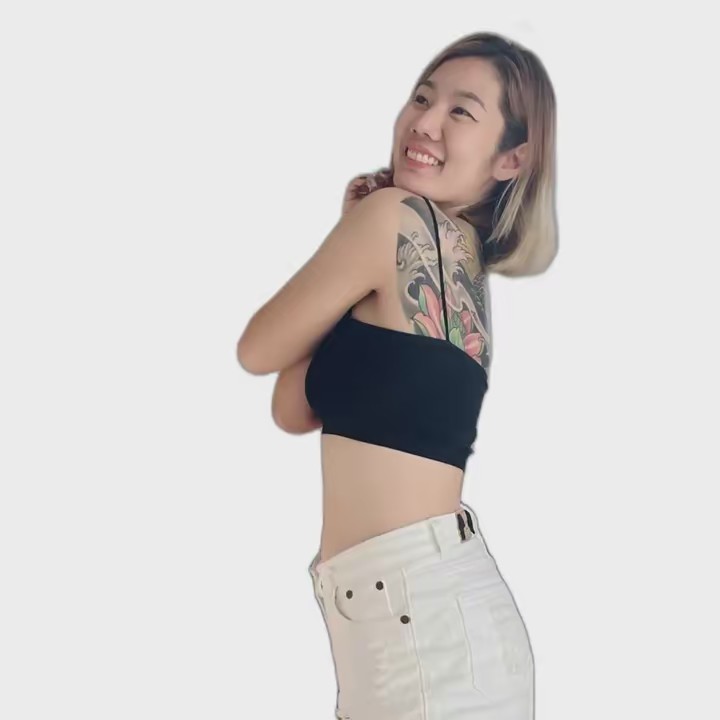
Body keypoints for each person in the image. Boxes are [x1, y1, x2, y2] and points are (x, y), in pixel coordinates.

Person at [237, 30, 557, 720]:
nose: (426, 121)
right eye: (421, 97)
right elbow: (294, 406)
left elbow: (257, 351)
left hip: (419, 632)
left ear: (512, 158)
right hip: (425, 629)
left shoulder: (392, 220)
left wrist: (351, 235)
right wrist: (349, 249)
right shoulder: (459, 260)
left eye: (461, 111)